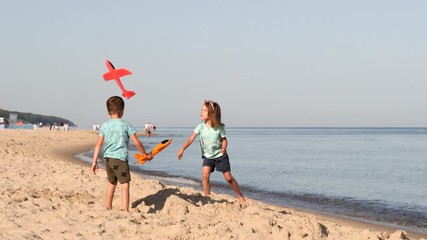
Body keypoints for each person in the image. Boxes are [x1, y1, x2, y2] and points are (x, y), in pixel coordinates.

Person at [177, 100, 246, 203]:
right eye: (202, 110)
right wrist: (182, 149)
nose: (201, 112)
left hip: (220, 156)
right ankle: (207, 197)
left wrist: (224, 147)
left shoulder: (219, 127)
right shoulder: (201, 126)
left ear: (211, 113)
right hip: (208, 156)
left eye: (204, 110)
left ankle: (240, 195)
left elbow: (224, 140)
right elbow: (191, 138)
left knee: (228, 178)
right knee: (205, 175)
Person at [92, 96, 152, 212]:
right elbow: (137, 142)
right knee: (125, 184)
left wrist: (94, 161)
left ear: (108, 112)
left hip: (108, 158)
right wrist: (145, 154)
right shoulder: (125, 125)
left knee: (112, 182)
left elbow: (98, 145)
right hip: (120, 158)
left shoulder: (104, 125)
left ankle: (108, 207)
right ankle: (125, 209)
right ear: (122, 111)